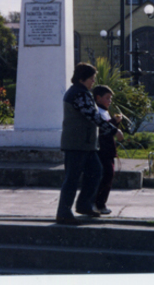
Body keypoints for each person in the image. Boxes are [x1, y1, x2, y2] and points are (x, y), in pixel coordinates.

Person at [56, 63, 124, 225]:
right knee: (72, 178)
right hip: (77, 144)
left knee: (96, 172)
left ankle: (84, 204)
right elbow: (93, 116)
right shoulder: (79, 94)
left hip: (85, 144)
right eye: (91, 78)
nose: (93, 82)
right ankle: (64, 212)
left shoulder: (79, 92)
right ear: (82, 78)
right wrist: (114, 130)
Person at [93, 85, 123, 215]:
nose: (110, 101)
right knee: (106, 175)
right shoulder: (97, 112)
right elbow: (102, 129)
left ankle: (100, 203)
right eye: (107, 98)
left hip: (108, 150)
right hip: (103, 150)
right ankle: (99, 203)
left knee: (108, 175)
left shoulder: (104, 111)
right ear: (98, 98)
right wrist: (113, 122)